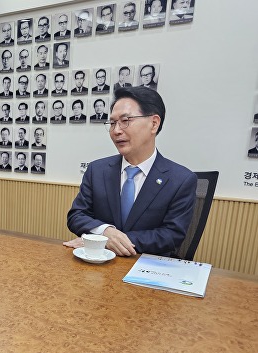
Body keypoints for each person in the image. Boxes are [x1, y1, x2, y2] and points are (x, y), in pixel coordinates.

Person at [65, 86, 197, 257]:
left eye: (125, 120)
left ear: (153, 124)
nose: (116, 130)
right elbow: (77, 215)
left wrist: (106, 242)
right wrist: (105, 232)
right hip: (98, 265)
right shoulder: (96, 170)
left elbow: (171, 235)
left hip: (146, 268)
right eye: (112, 123)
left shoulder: (181, 180)